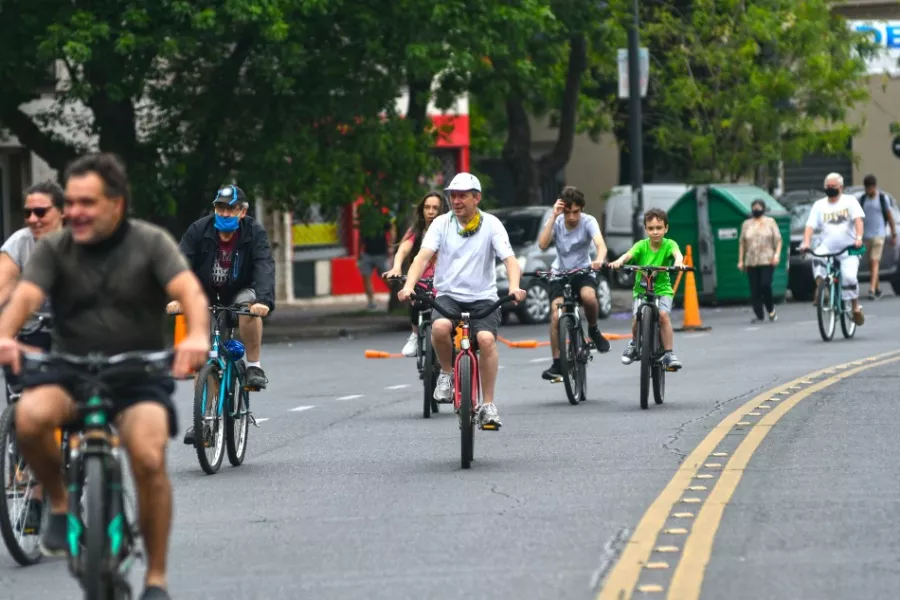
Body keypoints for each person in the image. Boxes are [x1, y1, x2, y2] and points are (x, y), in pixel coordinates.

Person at [0, 153, 210, 600]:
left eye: (87, 202)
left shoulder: (150, 243)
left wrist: (196, 336)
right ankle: (59, 504)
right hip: (70, 370)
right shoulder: (56, 248)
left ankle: (155, 579)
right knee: (29, 417)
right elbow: (25, 295)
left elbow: (189, 290)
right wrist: (4, 334)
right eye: (70, 202)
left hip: (136, 374)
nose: (74, 211)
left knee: (149, 457)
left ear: (116, 203)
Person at [398, 173, 526, 429]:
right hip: (448, 295)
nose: (456, 201)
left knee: (486, 340)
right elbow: (422, 258)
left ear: (476, 198)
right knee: (440, 327)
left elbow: (510, 260)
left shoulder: (491, 224)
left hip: (483, 298)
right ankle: (446, 373)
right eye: (453, 196)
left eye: (462, 196)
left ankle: (488, 405)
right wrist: (409, 286)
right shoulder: (441, 224)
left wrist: (514, 287)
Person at [168, 184, 275, 445]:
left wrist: (263, 301)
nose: (225, 214)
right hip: (205, 293)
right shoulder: (199, 230)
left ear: (242, 212)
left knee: (249, 308)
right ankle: (204, 420)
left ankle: (253, 367)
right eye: (221, 208)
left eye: (232, 209)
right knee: (204, 359)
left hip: (241, 290)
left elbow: (263, 265)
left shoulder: (254, 232)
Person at [536, 186, 610, 382]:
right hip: (560, 272)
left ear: (582, 209)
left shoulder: (588, 222)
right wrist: (553, 217)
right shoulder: (557, 221)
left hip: (583, 271)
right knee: (555, 316)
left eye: (575, 211)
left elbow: (600, 245)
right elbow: (542, 245)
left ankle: (593, 329)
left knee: (588, 297)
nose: (571, 217)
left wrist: (599, 260)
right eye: (567, 212)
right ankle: (557, 363)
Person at [609, 208, 685, 371]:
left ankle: (669, 353)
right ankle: (634, 343)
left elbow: (677, 254)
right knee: (637, 317)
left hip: (663, 290)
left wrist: (678, 262)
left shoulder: (669, 244)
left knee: (664, 316)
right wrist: (619, 261)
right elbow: (628, 255)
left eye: (659, 228)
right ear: (646, 229)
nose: (655, 232)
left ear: (666, 228)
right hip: (641, 290)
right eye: (651, 228)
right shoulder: (641, 245)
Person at [383, 191, 447, 356]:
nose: (431, 212)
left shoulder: (451, 230)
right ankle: (415, 334)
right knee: (415, 301)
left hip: (445, 280)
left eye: (435, 208)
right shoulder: (417, 230)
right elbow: (403, 249)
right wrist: (396, 267)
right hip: (421, 279)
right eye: (427, 207)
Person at [0, 180, 65, 343]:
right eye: (27, 213)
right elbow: (3, 286)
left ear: (62, 212)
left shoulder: (80, 240)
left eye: (40, 212)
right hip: (33, 333)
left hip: (75, 336)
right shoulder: (20, 241)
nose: (33, 219)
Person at [798, 172, 866, 325]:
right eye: (827, 186)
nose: (829, 189)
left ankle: (855, 307)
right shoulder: (819, 205)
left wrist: (858, 239)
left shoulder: (850, 201)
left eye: (833, 186)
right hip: (827, 246)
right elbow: (810, 226)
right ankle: (822, 288)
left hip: (848, 248)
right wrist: (806, 242)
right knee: (816, 256)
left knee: (849, 277)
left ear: (841, 187)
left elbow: (858, 221)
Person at [738, 198, 782, 323]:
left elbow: (778, 240)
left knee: (765, 284)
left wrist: (776, 255)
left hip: (767, 259)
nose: (756, 210)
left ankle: (770, 309)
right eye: (754, 208)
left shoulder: (770, 222)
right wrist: (740, 260)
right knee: (754, 288)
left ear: (763, 208)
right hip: (751, 260)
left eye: (758, 208)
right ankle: (759, 314)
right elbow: (742, 243)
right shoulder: (746, 224)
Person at [857, 174, 896, 299]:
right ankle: (878, 288)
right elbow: (858, 218)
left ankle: (871, 290)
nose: (868, 191)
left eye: (870, 188)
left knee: (874, 262)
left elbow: (890, 217)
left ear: (875, 187)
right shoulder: (863, 200)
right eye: (866, 188)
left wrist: (893, 233)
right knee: (871, 263)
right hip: (866, 236)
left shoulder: (882, 199)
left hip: (879, 235)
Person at [355, 198, 395, 310]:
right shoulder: (365, 222)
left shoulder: (382, 219)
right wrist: (359, 254)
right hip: (367, 253)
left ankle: (396, 296)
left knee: (387, 278)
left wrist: (390, 246)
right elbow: (361, 239)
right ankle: (371, 301)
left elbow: (391, 229)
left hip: (381, 253)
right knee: (366, 277)